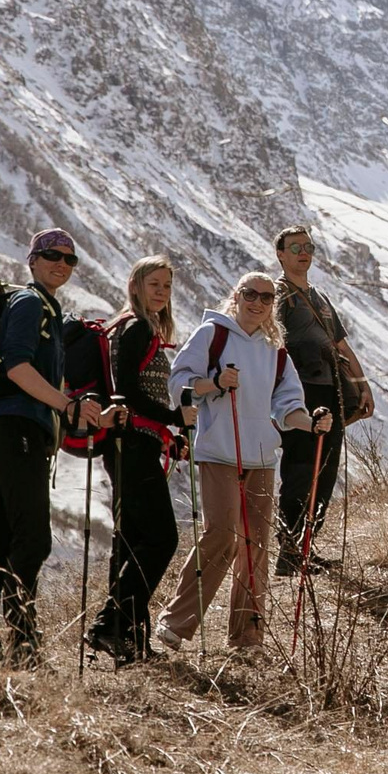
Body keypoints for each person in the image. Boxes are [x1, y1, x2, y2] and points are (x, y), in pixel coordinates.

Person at [0, 228, 109, 665]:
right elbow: (17, 366)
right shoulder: (29, 303)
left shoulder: (46, 307)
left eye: (70, 259)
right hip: (16, 430)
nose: (61, 264)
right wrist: (67, 405)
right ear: (32, 259)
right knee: (32, 539)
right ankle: (23, 644)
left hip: (5, 431)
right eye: (51, 255)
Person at [155, 271, 308, 653]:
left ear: (273, 306)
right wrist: (216, 383)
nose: (257, 302)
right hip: (218, 451)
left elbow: (289, 405)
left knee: (255, 544)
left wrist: (312, 422)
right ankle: (176, 623)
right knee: (222, 534)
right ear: (235, 296)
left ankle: (247, 637)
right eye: (250, 294)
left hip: (261, 458)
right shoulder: (212, 335)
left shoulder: (276, 350)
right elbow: (179, 385)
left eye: (266, 298)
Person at [85, 257, 184, 664]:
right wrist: (175, 419)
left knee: (131, 544)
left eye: (166, 285)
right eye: (153, 284)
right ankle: (110, 624)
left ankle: (131, 643)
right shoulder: (138, 327)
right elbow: (127, 392)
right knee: (162, 539)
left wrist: (168, 437)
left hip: (129, 444)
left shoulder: (132, 327)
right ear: (136, 286)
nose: (160, 292)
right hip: (132, 445)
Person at [272, 226, 376, 575]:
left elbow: (342, 346)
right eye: (295, 247)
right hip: (300, 392)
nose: (304, 252)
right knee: (301, 469)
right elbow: (272, 346)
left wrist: (362, 385)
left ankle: (305, 547)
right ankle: (288, 554)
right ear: (281, 255)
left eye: (308, 247)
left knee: (325, 471)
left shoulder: (320, 298)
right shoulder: (278, 296)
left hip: (330, 390)